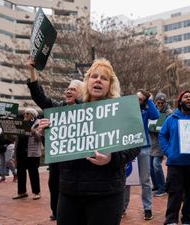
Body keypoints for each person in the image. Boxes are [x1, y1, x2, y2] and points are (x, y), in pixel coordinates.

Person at [38, 58, 140, 225]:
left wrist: (111, 158)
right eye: (94, 76)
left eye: (104, 78)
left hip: (106, 195)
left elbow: (134, 146)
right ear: (87, 82)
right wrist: (46, 135)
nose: (98, 80)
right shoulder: (69, 111)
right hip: (69, 193)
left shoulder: (121, 112)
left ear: (110, 85)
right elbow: (61, 150)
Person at [26, 58, 83, 220]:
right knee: (54, 184)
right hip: (58, 160)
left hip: (77, 162)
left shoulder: (87, 111)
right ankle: (56, 212)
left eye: (73, 89)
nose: (68, 91)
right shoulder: (58, 108)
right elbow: (39, 96)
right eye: (68, 88)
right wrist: (32, 71)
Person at [159, 90, 190, 225]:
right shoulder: (171, 119)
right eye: (186, 97)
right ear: (180, 101)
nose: (189, 99)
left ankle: (187, 220)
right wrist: (169, 152)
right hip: (175, 163)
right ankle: (171, 220)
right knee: (175, 193)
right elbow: (162, 135)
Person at [123, 89, 160, 220]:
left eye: (140, 99)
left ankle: (147, 208)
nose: (137, 100)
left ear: (143, 101)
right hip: (128, 147)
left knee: (145, 180)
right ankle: (123, 206)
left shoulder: (146, 110)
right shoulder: (127, 109)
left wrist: (150, 100)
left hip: (143, 148)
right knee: (127, 179)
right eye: (136, 97)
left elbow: (156, 116)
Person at [13, 107, 42, 200]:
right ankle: (22, 192)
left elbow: (40, 138)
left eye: (27, 113)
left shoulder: (38, 124)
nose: (25, 115)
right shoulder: (20, 124)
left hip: (32, 153)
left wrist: (33, 131)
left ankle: (37, 192)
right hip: (20, 152)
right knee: (21, 173)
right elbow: (16, 140)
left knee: (33, 173)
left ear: (33, 115)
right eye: (25, 113)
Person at [150, 92, 172, 197]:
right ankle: (156, 185)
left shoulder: (169, 113)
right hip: (151, 141)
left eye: (162, 102)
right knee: (151, 167)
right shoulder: (153, 110)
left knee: (156, 165)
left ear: (165, 102)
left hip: (160, 142)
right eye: (158, 102)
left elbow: (170, 127)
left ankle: (163, 187)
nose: (159, 105)